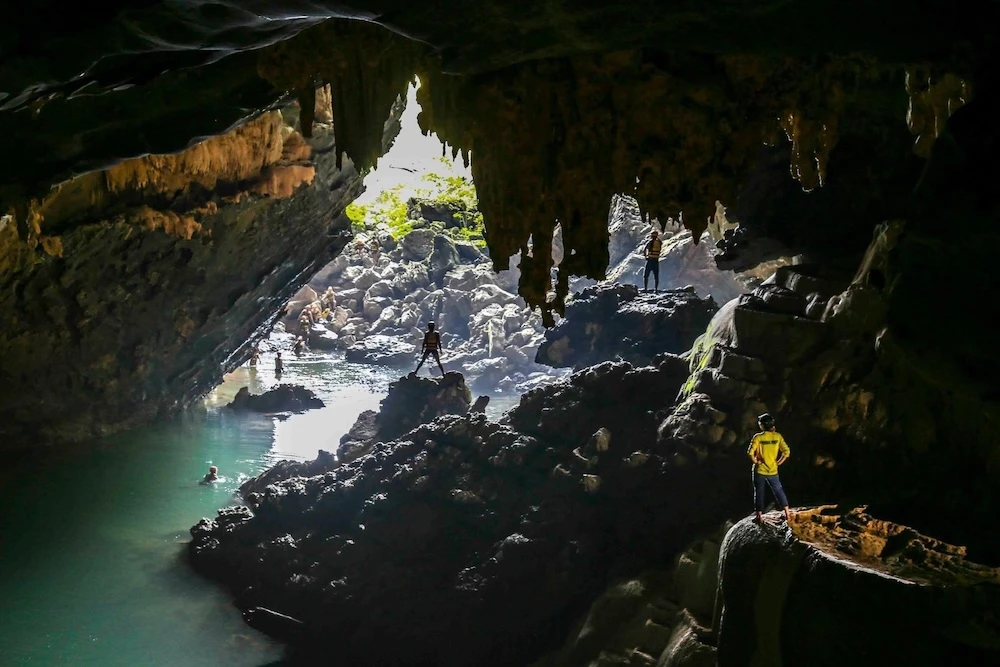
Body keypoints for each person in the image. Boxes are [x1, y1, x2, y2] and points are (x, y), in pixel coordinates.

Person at [747, 413, 792, 523]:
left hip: (760, 470)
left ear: (762, 425)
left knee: (759, 492)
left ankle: (759, 517)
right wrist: (778, 463)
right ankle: (787, 513)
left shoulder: (758, 437)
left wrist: (756, 461)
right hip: (773, 469)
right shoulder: (777, 437)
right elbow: (786, 451)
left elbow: (750, 453)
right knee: (778, 490)